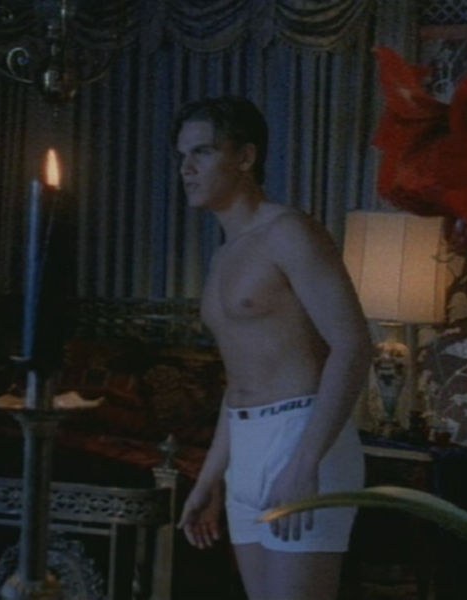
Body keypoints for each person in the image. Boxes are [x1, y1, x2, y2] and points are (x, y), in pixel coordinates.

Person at [173, 95, 371, 600]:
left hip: (302, 433)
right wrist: (210, 477)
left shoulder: (290, 233)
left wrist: (305, 463)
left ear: (245, 156)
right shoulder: (223, 256)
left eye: (202, 152)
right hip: (245, 443)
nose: (186, 168)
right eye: (182, 156)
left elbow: (352, 345)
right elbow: (239, 382)